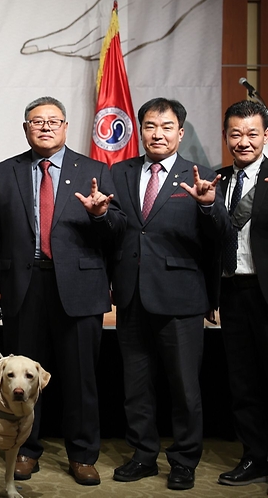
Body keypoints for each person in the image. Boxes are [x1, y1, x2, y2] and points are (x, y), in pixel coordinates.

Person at [0, 96, 125, 487]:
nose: (45, 127)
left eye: (53, 121)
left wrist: (99, 214)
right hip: (24, 287)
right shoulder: (4, 172)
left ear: (66, 126)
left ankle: (83, 454)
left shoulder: (93, 169)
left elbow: (117, 231)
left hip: (79, 286)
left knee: (80, 378)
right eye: (36, 122)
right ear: (26, 129)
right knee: (20, 379)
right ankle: (26, 449)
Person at [109, 97, 228, 491]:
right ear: (139, 130)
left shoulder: (202, 176)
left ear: (180, 132)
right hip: (130, 297)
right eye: (149, 126)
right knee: (136, 386)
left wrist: (209, 206)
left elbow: (221, 239)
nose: (156, 133)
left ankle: (183, 460)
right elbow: (118, 229)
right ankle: (143, 455)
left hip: (181, 298)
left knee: (185, 387)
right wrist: (97, 215)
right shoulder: (120, 172)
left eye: (165, 126)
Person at [215, 100, 268, 487]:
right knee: (243, 382)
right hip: (233, 292)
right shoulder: (216, 181)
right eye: (236, 133)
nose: (243, 141)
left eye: (252, 133)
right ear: (226, 137)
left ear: (265, 135)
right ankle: (255, 456)